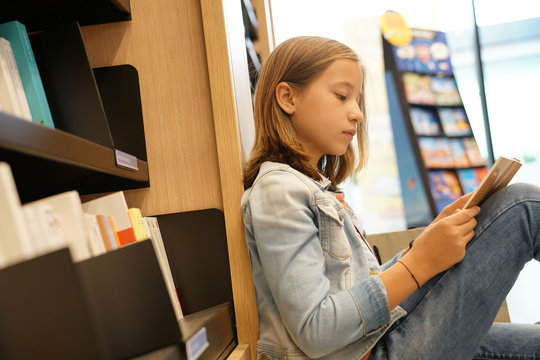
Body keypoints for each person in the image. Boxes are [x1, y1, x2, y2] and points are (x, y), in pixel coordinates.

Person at [241, 35, 540, 360]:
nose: (357, 114)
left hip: (378, 338)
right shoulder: (278, 190)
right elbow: (316, 329)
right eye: (342, 96)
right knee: (521, 207)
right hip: (373, 352)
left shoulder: (315, 188)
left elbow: (357, 294)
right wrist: (418, 263)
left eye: (357, 101)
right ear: (287, 97)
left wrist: (424, 245)